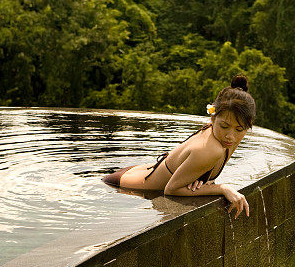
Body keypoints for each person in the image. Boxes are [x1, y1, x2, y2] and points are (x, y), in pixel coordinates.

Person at [102, 75, 253, 219]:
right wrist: (221, 188)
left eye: (239, 129)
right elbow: (171, 190)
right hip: (127, 185)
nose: (230, 136)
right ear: (212, 118)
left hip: (139, 172)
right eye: (224, 126)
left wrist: (198, 180)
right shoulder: (211, 149)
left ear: (248, 126)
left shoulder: (222, 137)